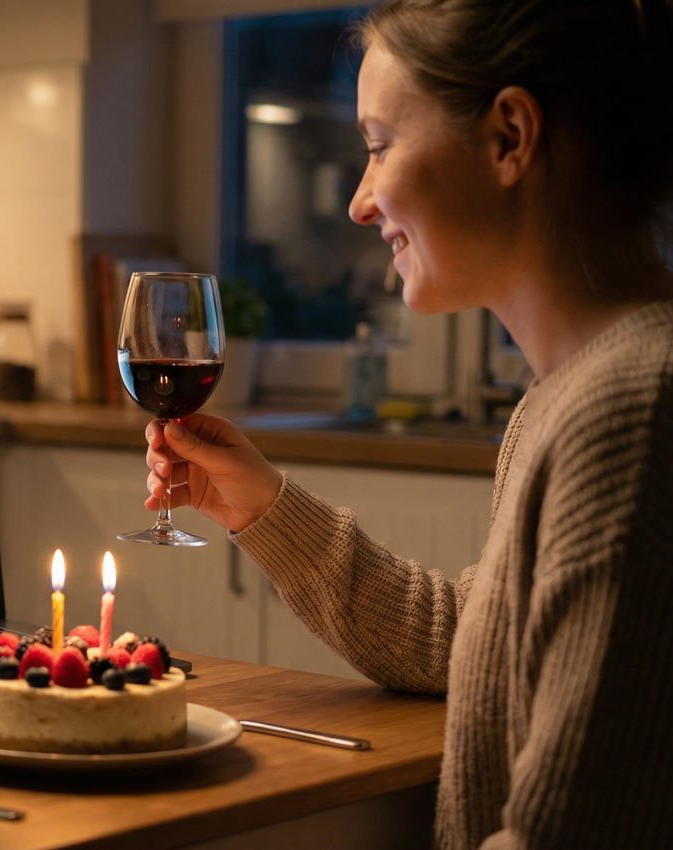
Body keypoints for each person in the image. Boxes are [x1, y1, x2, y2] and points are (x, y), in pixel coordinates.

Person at [142, 2, 673, 848]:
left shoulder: (631, 411)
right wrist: (262, 506)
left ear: (509, 138)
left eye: (381, 145)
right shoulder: (566, 399)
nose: (358, 202)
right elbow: (464, 641)